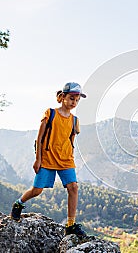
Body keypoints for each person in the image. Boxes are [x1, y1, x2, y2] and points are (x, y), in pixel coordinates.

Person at [10, 82, 87, 236]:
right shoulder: (50, 113)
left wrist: (71, 159)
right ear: (63, 97)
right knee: (37, 190)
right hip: (47, 158)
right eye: (72, 98)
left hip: (66, 160)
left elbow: (70, 141)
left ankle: (70, 225)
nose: (74, 102)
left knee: (73, 188)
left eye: (77, 100)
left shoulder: (74, 121)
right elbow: (39, 139)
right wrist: (38, 159)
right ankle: (19, 204)